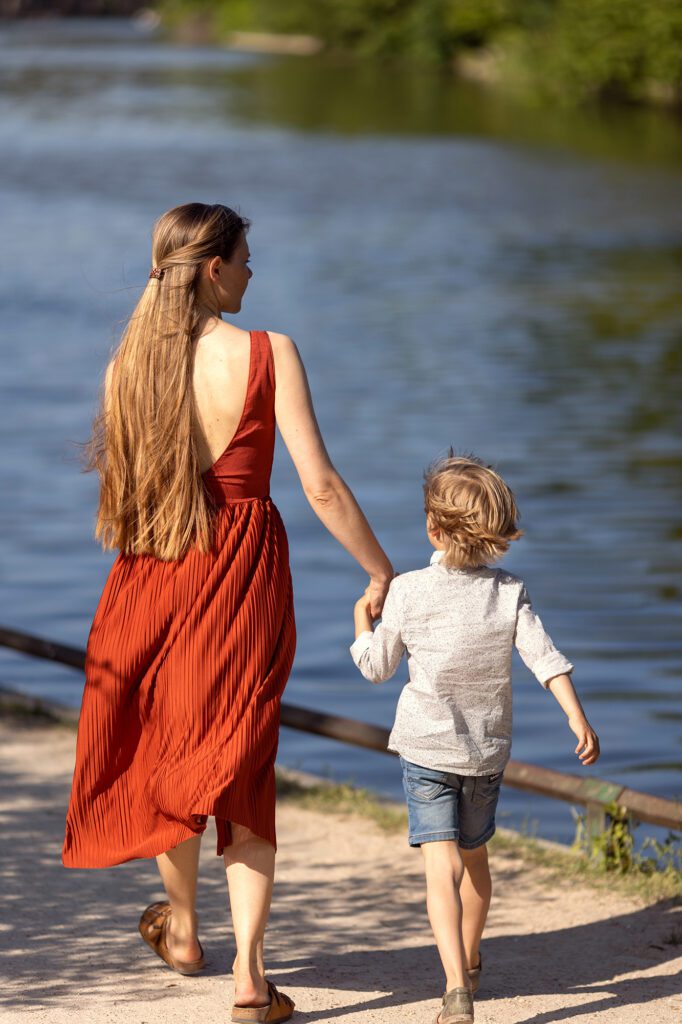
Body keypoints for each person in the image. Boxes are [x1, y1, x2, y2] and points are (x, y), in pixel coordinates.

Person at [62, 202, 393, 1024]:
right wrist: (383, 569)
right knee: (239, 761)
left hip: (151, 572)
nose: (254, 271)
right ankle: (249, 979)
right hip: (239, 574)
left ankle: (183, 934)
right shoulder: (267, 352)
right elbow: (319, 484)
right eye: (246, 258)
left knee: (174, 750)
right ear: (214, 268)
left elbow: (126, 498)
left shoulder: (128, 366)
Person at [350, 453, 599, 1024]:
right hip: (485, 754)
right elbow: (545, 660)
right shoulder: (509, 591)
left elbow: (377, 669)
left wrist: (362, 622)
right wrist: (576, 717)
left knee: (441, 871)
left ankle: (455, 991)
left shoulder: (408, 591)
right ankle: (471, 956)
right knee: (476, 863)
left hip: (425, 753)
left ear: (432, 527)